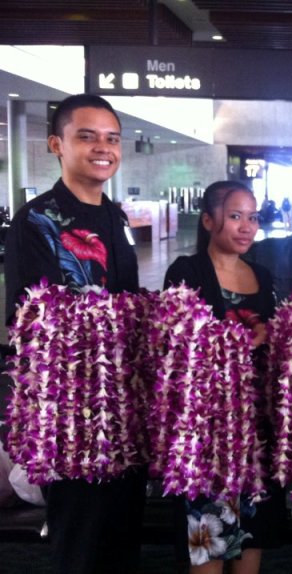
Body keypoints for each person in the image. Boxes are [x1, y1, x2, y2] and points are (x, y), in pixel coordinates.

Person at [4, 93, 145, 574]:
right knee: (80, 539)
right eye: (86, 136)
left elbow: (130, 300)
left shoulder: (117, 217)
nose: (102, 148)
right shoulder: (36, 221)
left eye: (111, 138)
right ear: (56, 145)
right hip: (72, 414)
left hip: (125, 406)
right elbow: (32, 321)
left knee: (123, 534)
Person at [164, 181, 284, 574]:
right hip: (208, 433)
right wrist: (247, 341)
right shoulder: (187, 271)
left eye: (253, 217)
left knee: (253, 534)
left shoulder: (263, 276)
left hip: (257, 430)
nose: (247, 226)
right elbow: (178, 347)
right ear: (208, 220)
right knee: (210, 539)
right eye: (235, 216)